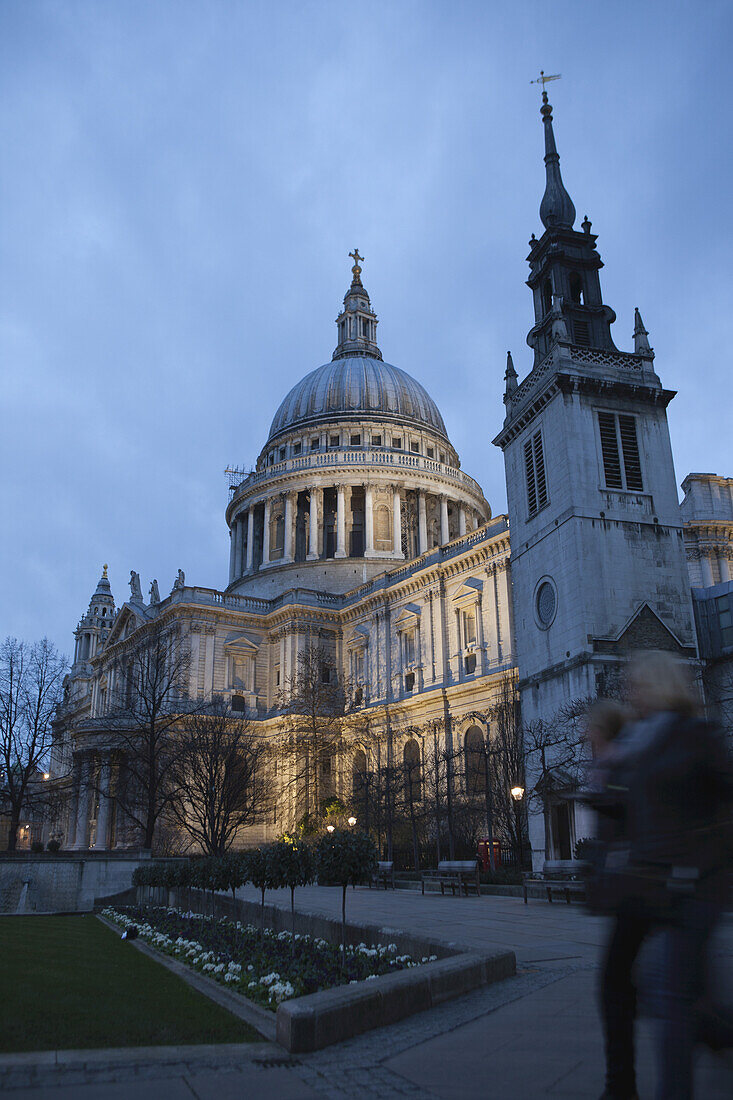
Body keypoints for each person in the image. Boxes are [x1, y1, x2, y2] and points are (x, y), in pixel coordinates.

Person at [596, 651, 731, 1100]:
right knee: (671, 993)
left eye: (638, 683)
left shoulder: (695, 735)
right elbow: (632, 809)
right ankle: (715, 1032)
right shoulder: (639, 741)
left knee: (669, 994)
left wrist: (706, 862)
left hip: (696, 886)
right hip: (657, 886)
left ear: (660, 685)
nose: (631, 692)